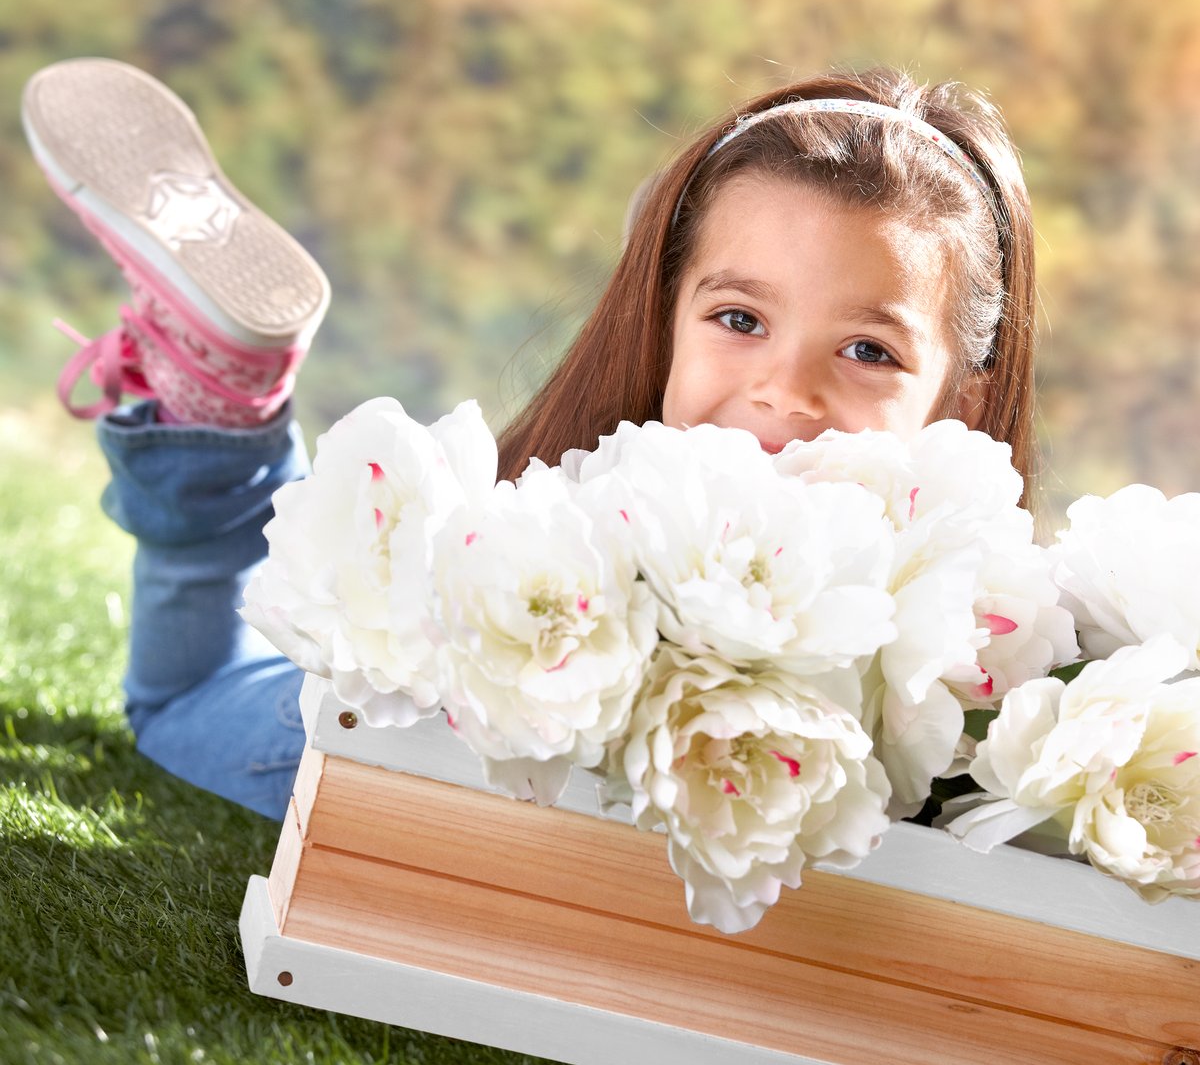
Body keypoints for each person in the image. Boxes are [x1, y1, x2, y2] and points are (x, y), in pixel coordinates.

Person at [22, 57, 1038, 821]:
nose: (785, 392)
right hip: (441, 738)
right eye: (739, 321)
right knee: (189, 696)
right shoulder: (607, 508)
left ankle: (224, 410)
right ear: (666, 316)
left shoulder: (978, 608)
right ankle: (222, 413)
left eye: (866, 349)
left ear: (960, 400)